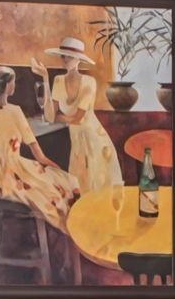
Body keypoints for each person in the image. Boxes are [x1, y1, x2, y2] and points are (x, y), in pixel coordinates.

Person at [0, 64, 78, 229]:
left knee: (52, 186)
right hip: (14, 174)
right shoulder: (15, 111)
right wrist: (57, 169)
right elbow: (39, 155)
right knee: (59, 185)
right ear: (8, 86)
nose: (14, 85)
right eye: (13, 82)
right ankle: (74, 228)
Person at [33, 35, 124, 193]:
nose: (65, 59)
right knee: (80, 188)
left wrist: (59, 118)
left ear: (79, 59)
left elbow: (78, 119)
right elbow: (49, 116)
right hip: (76, 142)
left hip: (95, 140)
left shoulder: (89, 82)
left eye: (70, 56)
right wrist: (45, 79)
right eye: (64, 55)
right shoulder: (59, 80)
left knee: (97, 188)